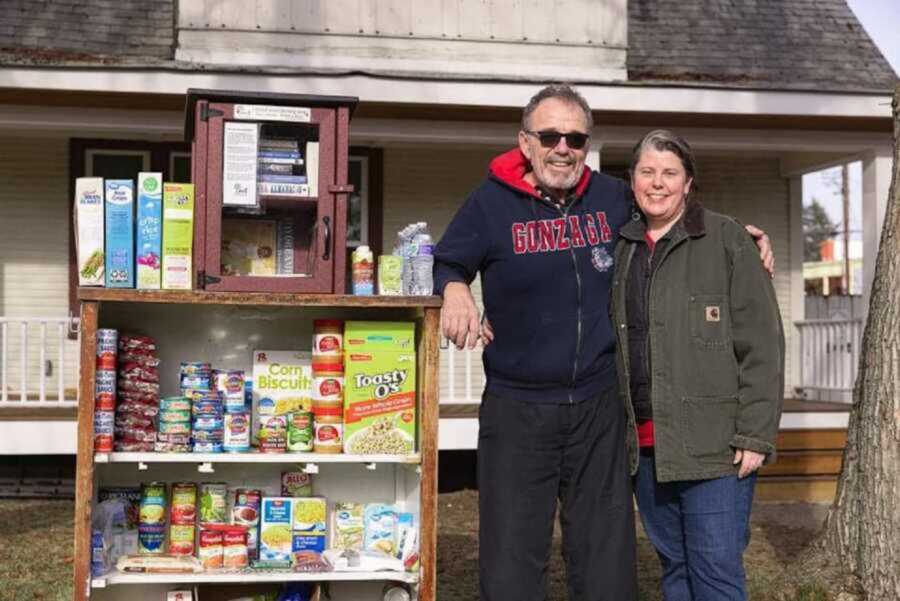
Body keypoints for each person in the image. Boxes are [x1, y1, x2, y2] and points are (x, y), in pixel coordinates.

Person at [433, 85, 773, 601]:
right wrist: (455, 287)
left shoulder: (613, 198)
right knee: (510, 565)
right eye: (550, 135)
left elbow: (675, 219)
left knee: (605, 564)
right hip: (518, 407)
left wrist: (742, 242)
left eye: (575, 137)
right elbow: (447, 258)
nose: (563, 147)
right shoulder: (489, 204)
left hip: (600, 408)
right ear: (525, 142)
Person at [611, 129, 785, 601]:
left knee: (715, 574)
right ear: (632, 181)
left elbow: (763, 345)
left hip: (716, 451)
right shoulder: (621, 248)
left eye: (670, 173)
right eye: (647, 172)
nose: (658, 182)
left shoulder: (726, 239)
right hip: (647, 452)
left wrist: (755, 434)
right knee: (676, 569)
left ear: (688, 183)